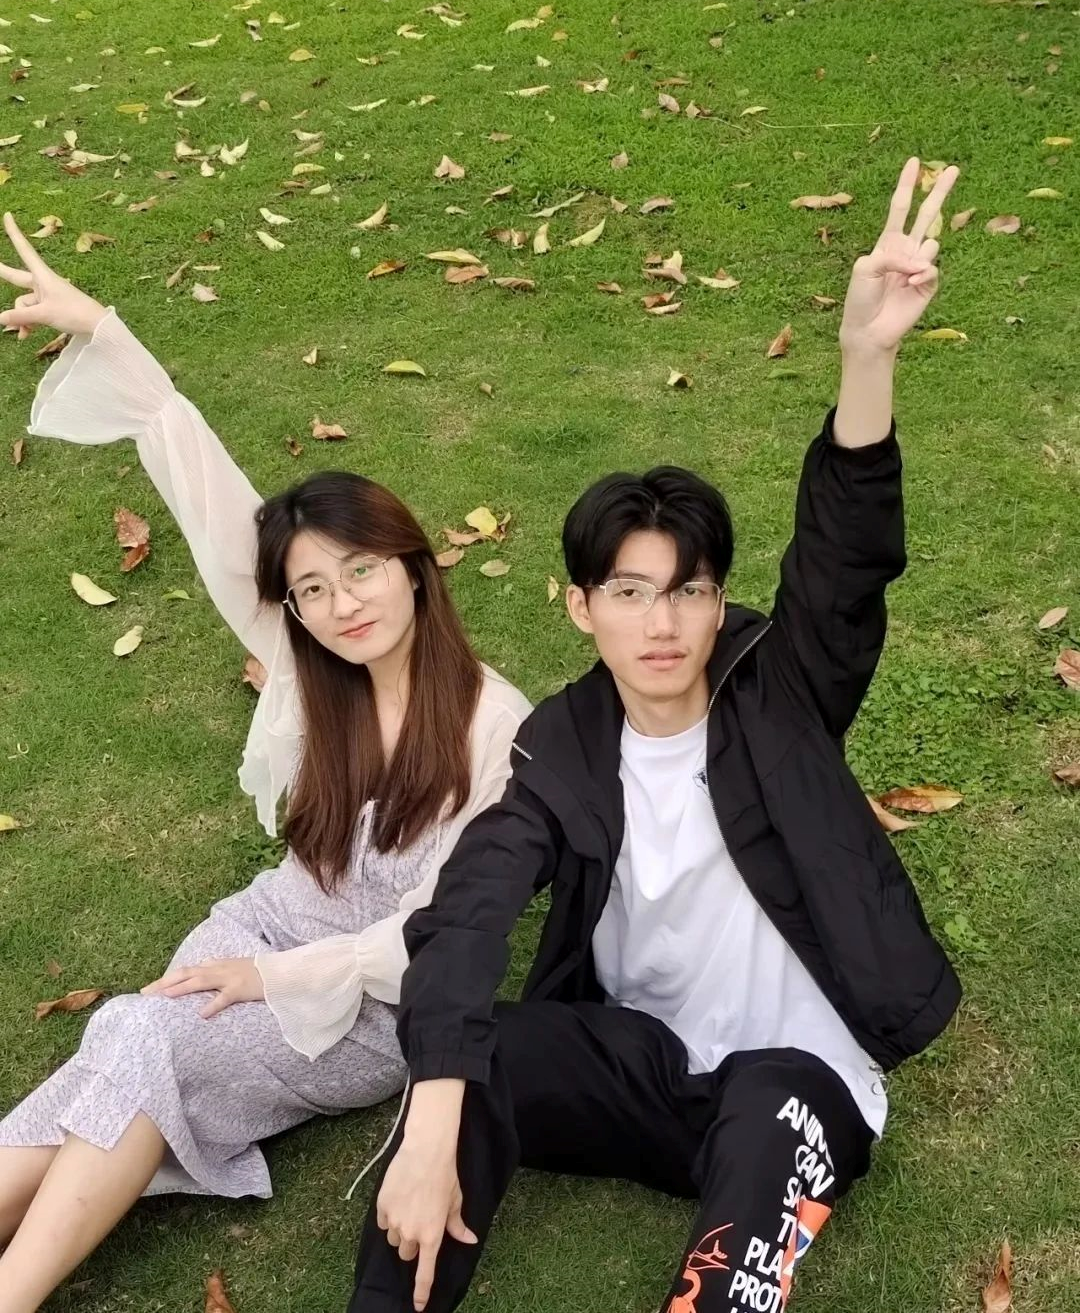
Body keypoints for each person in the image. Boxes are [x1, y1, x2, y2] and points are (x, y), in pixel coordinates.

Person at [350, 158, 965, 1313]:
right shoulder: (562, 747)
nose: (663, 623)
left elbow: (844, 563)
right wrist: (432, 1119)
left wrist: (865, 357)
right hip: (644, 1065)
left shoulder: (780, 688)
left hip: (799, 1083)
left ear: (720, 601)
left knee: (770, 1109)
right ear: (580, 607)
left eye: (687, 590)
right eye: (629, 593)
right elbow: (470, 911)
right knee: (483, 1057)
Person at [0, 213, 531, 1313]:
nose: (342, 605)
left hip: (367, 1005)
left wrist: (267, 980)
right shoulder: (310, 666)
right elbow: (203, 488)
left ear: (416, 565)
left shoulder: (496, 726)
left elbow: (438, 936)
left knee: (137, 1037)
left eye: (361, 570)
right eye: (313, 589)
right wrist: (105, 329)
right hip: (262, 924)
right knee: (122, 1053)